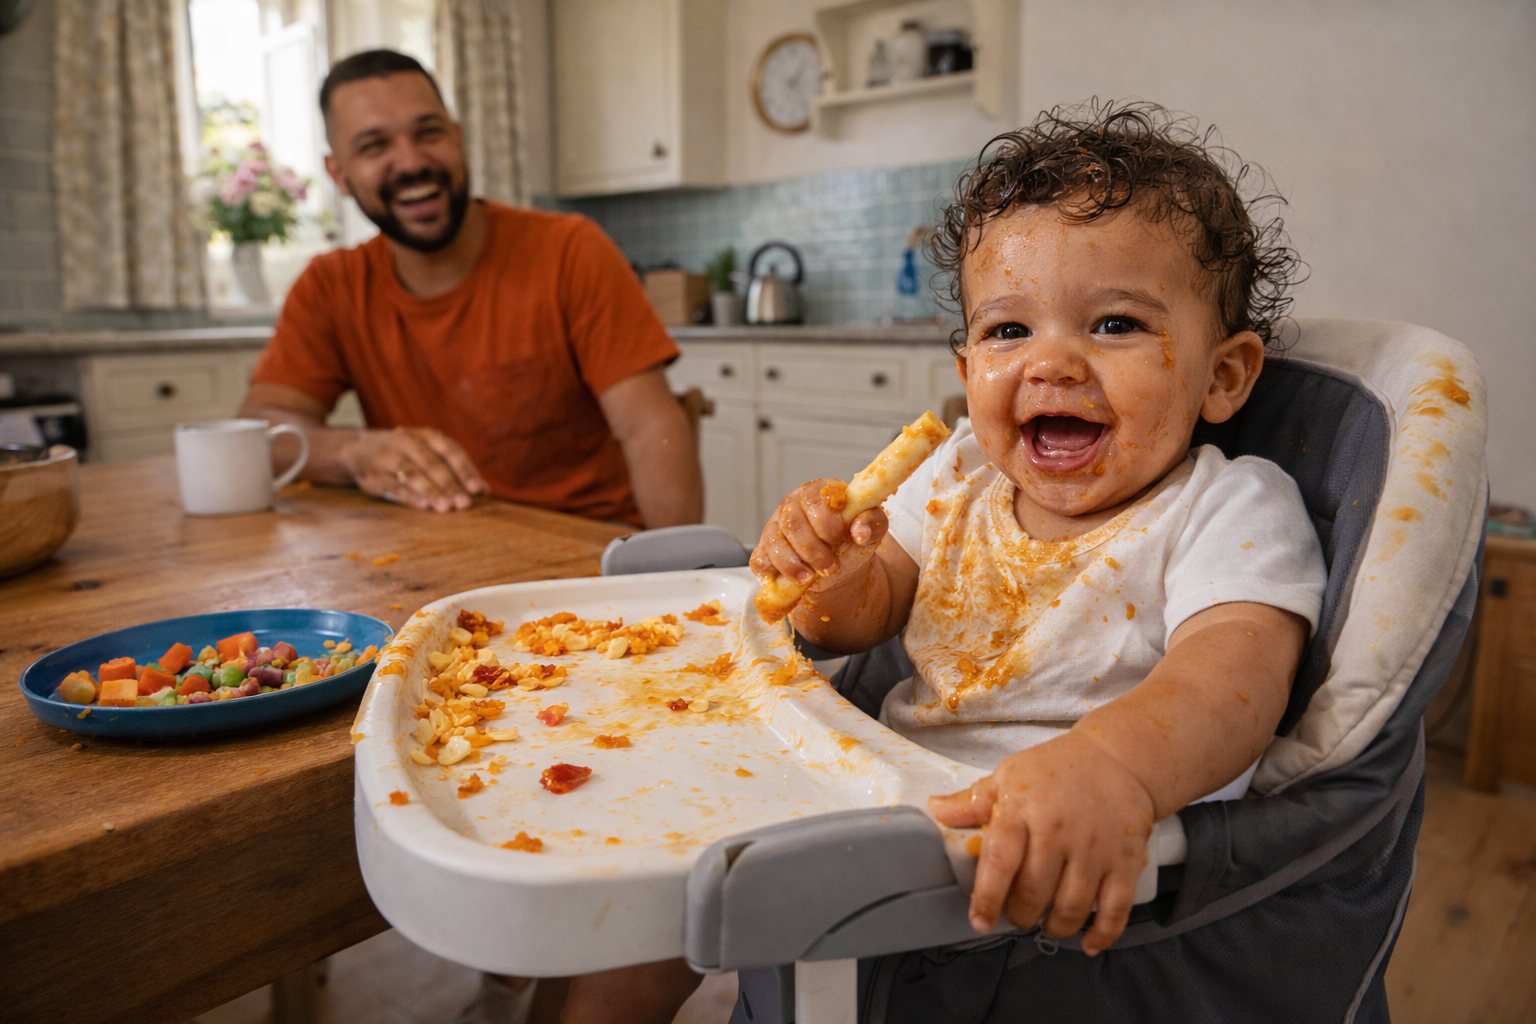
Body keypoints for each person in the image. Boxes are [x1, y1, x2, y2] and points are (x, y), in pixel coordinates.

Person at [746, 102, 1326, 1000]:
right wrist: (830, 573)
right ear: (969, 365)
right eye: (1009, 331)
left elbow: (1229, 685)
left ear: (1223, 376)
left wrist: (1113, 768)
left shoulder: (1225, 506)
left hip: (1060, 877)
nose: (1050, 363)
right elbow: (847, 624)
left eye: (1115, 325)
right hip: (884, 809)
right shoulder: (956, 476)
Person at [239, 50, 701, 529]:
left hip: (588, 555)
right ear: (339, 175)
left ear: (457, 139)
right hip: (435, 559)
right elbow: (260, 429)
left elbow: (650, 428)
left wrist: (680, 577)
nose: (412, 162)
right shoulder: (330, 286)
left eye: (429, 133)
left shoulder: (570, 250)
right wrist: (352, 451)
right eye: (375, 146)